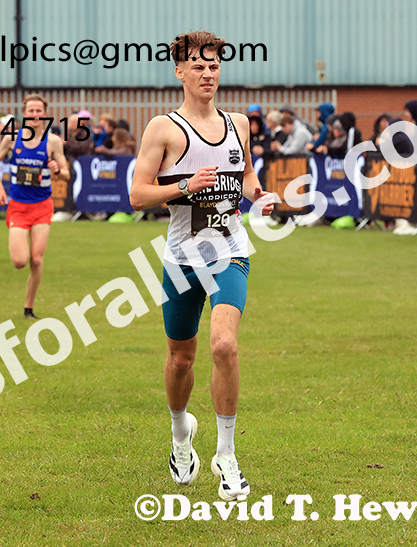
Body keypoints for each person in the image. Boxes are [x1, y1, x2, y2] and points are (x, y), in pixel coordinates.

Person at [128, 30, 274, 502]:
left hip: (230, 250)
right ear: (180, 72)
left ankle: (227, 455)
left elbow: (246, 173)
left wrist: (260, 195)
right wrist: (185, 186)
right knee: (180, 358)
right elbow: (136, 194)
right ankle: (180, 435)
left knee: (225, 345)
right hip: (181, 259)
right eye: (198, 66)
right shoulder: (163, 129)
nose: (207, 73)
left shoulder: (239, 123)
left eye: (213, 66)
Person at [0, 94, 69, 320]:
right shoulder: (12, 138)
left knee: (36, 259)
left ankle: (28, 307)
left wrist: (56, 170)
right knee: (19, 261)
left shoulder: (53, 141)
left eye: (39, 111)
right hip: (18, 206)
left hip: (42, 206)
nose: (35, 115)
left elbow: (66, 174)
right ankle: (27, 305)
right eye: (31, 111)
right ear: (24, 113)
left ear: (45, 113)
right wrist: (0, 188)